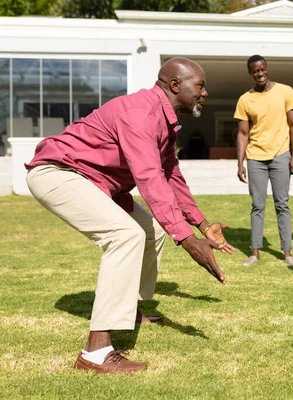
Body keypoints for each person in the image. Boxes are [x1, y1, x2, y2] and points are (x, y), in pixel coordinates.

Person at [25, 57, 235, 374]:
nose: (205, 93)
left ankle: (126, 309)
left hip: (94, 183)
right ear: (175, 85)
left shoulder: (165, 122)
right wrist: (188, 241)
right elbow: (150, 179)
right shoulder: (140, 113)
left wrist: (202, 225)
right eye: (201, 85)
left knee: (153, 231)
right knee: (125, 235)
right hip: (58, 173)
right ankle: (95, 354)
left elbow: (171, 176)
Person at [234, 55, 293, 267]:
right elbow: (243, 134)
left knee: (282, 204)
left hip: (281, 154)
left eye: (262, 69)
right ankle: (255, 252)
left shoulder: (285, 91)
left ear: (267, 69)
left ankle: (287, 252)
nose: (259, 73)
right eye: (255, 71)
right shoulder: (245, 99)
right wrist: (240, 162)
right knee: (257, 205)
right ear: (250, 73)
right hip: (255, 158)